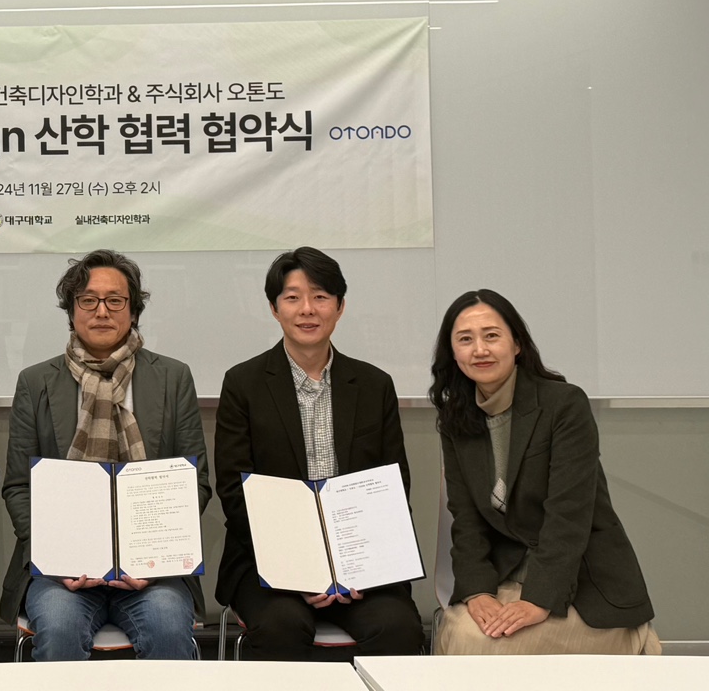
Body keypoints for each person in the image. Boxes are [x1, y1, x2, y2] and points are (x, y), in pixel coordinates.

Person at [215, 246, 424, 661]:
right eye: (293, 297)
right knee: (281, 626)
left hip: (362, 567)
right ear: (274, 308)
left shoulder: (374, 385)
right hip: (269, 566)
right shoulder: (243, 384)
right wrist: (301, 568)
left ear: (340, 307)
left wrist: (358, 564)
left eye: (321, 297)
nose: (307, 309)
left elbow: (393, 486)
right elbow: (235, 492)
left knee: (398, 627)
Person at [1, 249, 209, 661]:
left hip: (152, 573)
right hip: (63, 574)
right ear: (71, 310)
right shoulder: (36, 382)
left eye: (115, 300)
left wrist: (153, 561)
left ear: (133, 310)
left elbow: (195, 483)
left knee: (168, 626)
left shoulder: (172, 378)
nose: (101, 311)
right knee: (59, 628)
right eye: (88, 300)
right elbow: (19, 487)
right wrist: (57, 557)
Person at [430, 289, 660, 655]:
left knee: (477, 643)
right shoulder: (456, 418)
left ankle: (636, 641)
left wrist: (539, 600)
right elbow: (466, 519)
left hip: (580, 582)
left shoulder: (564, 405)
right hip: (506, 576)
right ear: (453, 352)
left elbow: (567, 516)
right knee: (460, 627)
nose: (480, 350)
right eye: (465, 339)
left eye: (492, 335)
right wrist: (477, 591)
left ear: (517, 344)